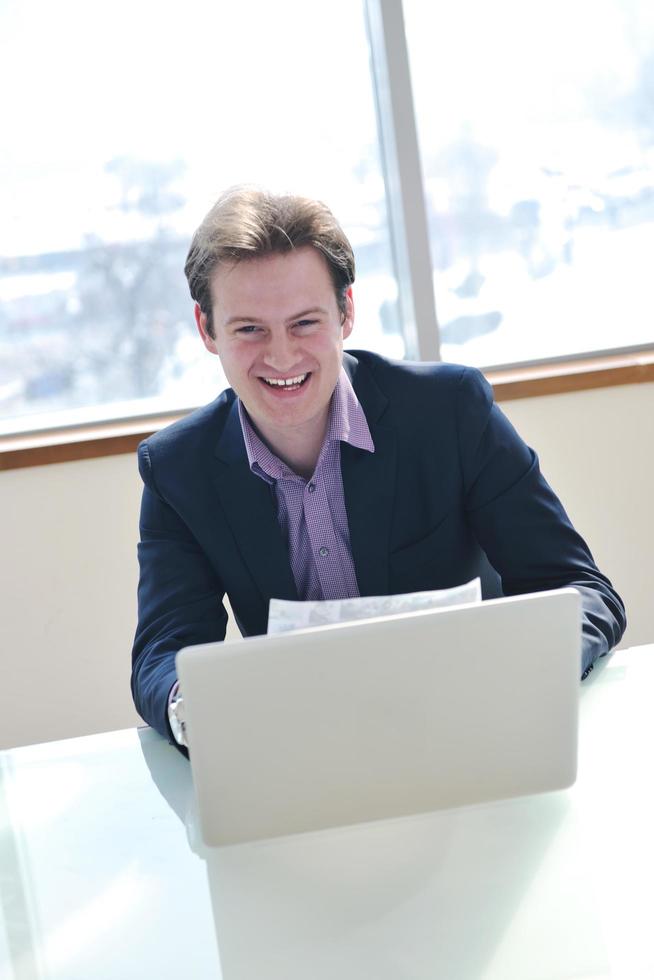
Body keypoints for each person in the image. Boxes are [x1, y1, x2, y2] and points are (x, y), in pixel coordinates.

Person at [131, 187, 626, 750]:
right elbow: (162, 653)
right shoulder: (177, 470)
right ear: (207, 329)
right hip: (304, 755)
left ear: (346, 313)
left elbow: (581, 590)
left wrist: (519, 678)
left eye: (304, 323)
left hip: (474, 737)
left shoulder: (450, 411)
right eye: (249, 329)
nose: (282, 356)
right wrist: (197, 713)